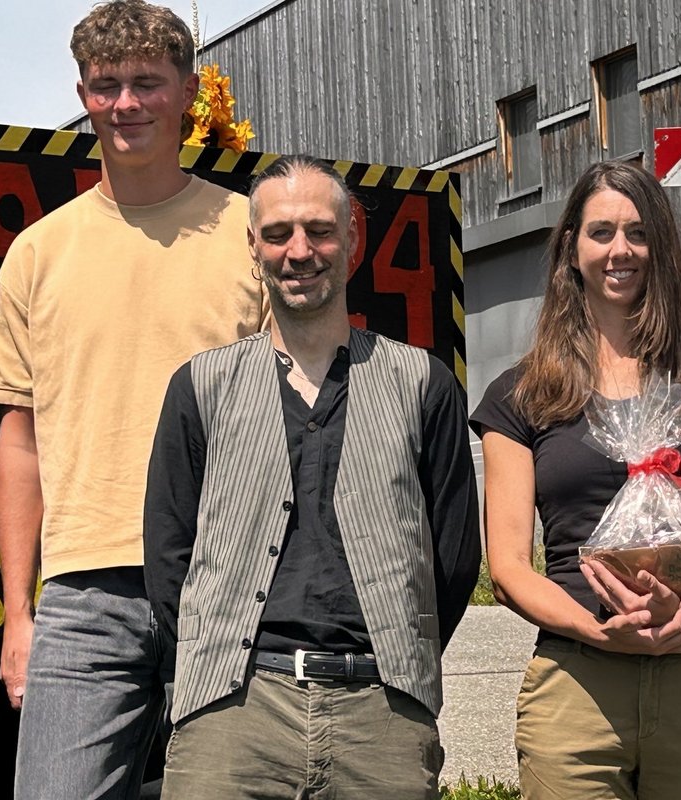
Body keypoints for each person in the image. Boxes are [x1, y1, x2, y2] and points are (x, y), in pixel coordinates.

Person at [0, 1, 267, 796]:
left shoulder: (251, 236)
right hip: (84, 590)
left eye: (147, 82)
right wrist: (18, 617)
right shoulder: (36, 254)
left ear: (187, 93)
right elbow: (20, 443)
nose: (125, 103)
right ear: (83, 96)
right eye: (106, 85)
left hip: (227, 578)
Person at [142, 154, 480, 799]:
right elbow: (169, 555)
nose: (299, 252)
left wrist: (398, 658)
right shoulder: (201, 386)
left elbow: (455, 559)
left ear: (352, 239)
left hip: (381, 713)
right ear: (253, 246)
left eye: (319, 230)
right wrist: (209, 667)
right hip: (232, 713)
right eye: (278, 234)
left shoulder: (423, 383)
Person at [471, 160, 681, 800]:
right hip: (577, 681)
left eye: (638, 232)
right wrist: (597, 629)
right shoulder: (521, 397)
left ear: (661, 248)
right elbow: (510, 567)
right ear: (572, 249)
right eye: (601, 232)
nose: (619, 250)